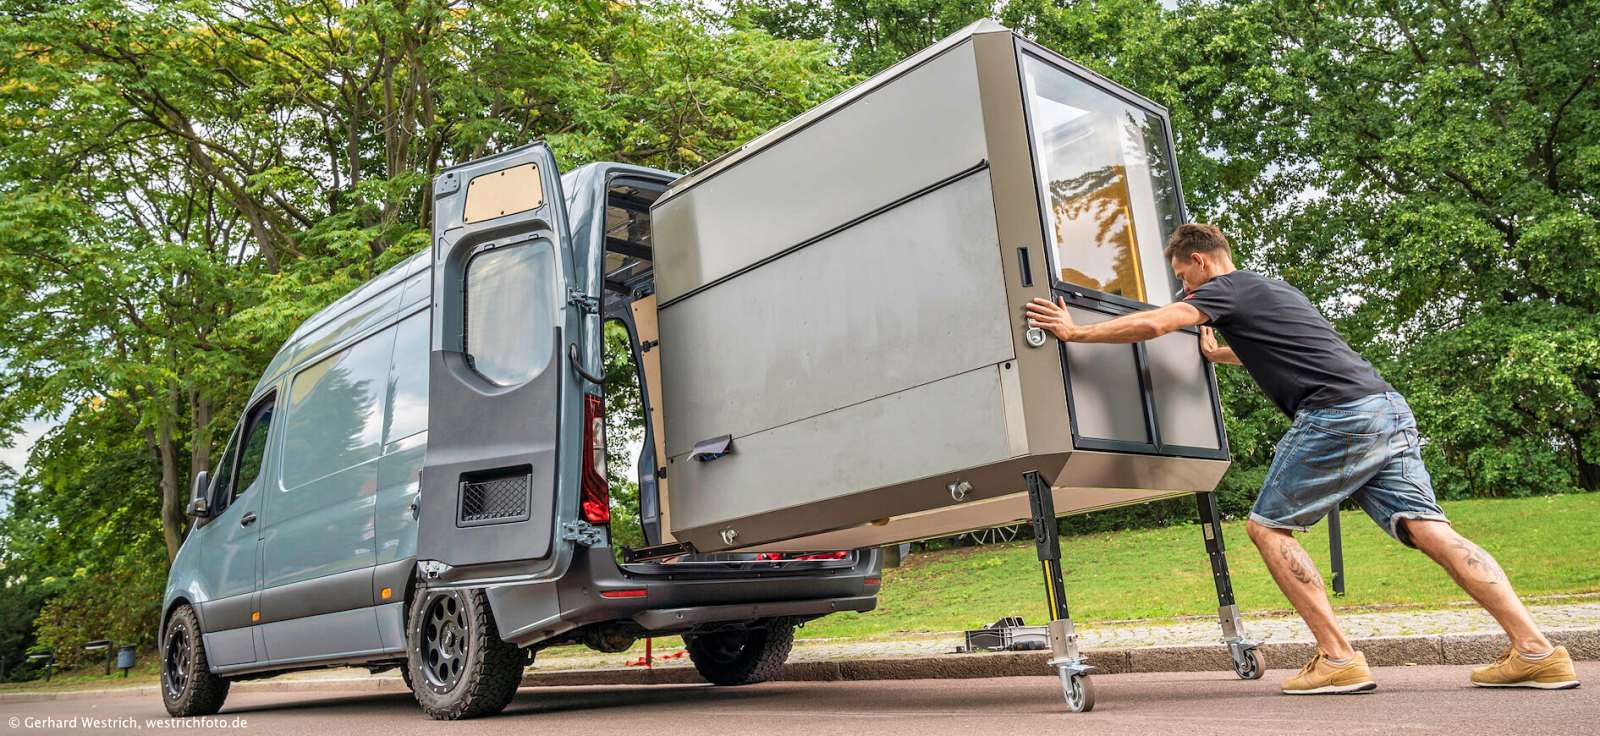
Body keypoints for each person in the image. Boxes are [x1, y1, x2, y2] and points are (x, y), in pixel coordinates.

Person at [1024, 222, 1580, 694]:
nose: (1184, 289)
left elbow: (1154, 324)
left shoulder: (1223, 288)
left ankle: (1338, 658)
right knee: (1430, 529)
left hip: (1337, 415)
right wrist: (1220, 353)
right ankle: (1536, 649)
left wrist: (1075, 332)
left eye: (1183, 278)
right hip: (1385, 408)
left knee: (1267, 528)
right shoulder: (1275, 291)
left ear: (1199, 261)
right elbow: (1290, 349)